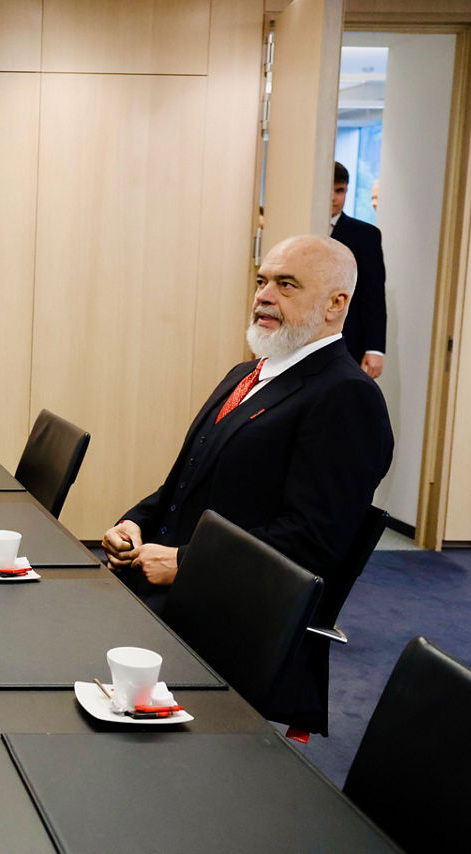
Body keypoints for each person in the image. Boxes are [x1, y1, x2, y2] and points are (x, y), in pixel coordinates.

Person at [102, 234, 393, 614]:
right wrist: (132, 524)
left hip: (231, 618)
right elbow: (187, 484)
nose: (264, 296)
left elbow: (313, 541)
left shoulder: (347, 396)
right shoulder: (246, 373)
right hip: (158, 592)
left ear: (335, 303)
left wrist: (188, 562)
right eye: (261, 282)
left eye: (286, 284)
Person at [331, 161, 387, 378]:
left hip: (347, 337)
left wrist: (375, 348)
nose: (334, 198)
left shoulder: (365, 235)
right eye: (330, 190)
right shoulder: (297, 228)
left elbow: (373, 294)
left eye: (340, 190)